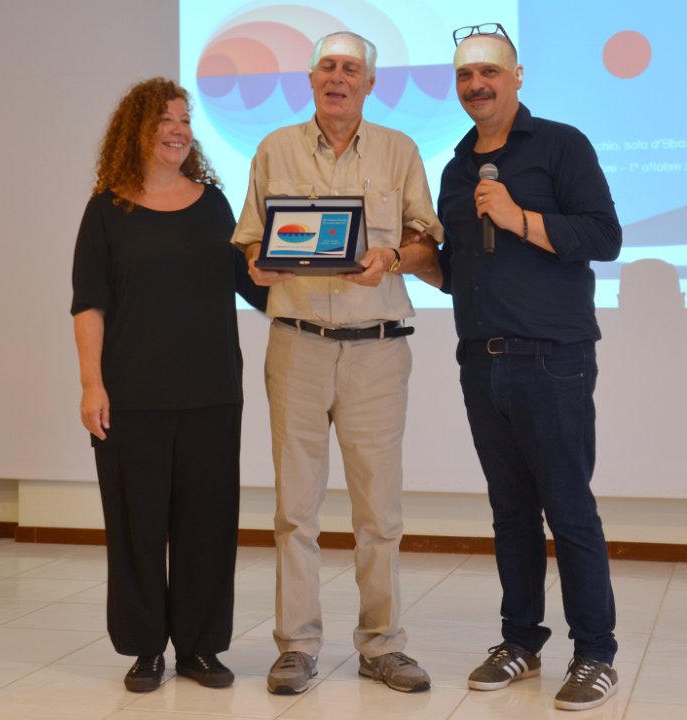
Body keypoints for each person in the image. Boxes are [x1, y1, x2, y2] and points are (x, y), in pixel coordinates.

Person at [415, 23, 621, 711]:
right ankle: (520, 642)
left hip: (553, 360)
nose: (475, 85)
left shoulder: (561, 144)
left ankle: (595, 653)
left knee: (568, 509)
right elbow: (460, 271)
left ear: (516, 77)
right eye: (464, 75)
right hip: (481, 362)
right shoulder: (455, 167)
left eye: (488, 72)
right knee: (509, 513)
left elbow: (604, 236)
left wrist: (518, 216)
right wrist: (415, 263)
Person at [231, 31, 442, 695]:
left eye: (351, 69)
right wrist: (259, 262)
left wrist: (392, 258)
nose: (338, 77)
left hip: (377, 348)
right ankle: (296, 647)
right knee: (295, 509)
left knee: (378, 511)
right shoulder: (274, 148)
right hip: (296, 343)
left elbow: (427, 242)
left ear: (370, 84)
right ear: (311, 78)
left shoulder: (399, 150)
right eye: (327, 66)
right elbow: (250, 241)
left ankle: (382, 646)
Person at [71, 77, 267, 693]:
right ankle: (145, 649)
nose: (178, 130)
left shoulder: (214, 203)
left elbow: (252, 283)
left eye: (184, 120)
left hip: (212, 392)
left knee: (208, 525)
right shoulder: (107, 210)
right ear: (136, 131)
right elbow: (89, 304)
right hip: (132, 398)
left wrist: (301, 256)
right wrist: (91, 386)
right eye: (164, 120)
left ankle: (201, 648)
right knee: (136, 528)